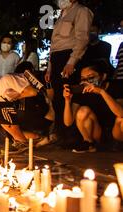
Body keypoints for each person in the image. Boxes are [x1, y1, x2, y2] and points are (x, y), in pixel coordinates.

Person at [45, 0, 93, 139]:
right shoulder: (61, 15)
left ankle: (73, 135)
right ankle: (61, 132)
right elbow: (54, 45)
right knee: (58, 98)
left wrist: (72, 61)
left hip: (70, 56)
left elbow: (82, 39)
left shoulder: (81, 11)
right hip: (56, 59)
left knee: (70, 96)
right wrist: (50, 68)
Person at [63, 63, 123, 153]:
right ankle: (88, 143)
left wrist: (102, 92)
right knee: (83, 111)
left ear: (103, 76)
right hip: (97, 132)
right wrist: (67, 100)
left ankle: (117, 146)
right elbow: (68, 122)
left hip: (117, 132)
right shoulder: (82, 91)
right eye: (83, 79)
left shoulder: (116, 86)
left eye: (91, 77)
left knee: (121, 119)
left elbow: (121, 114)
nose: (86, 81)